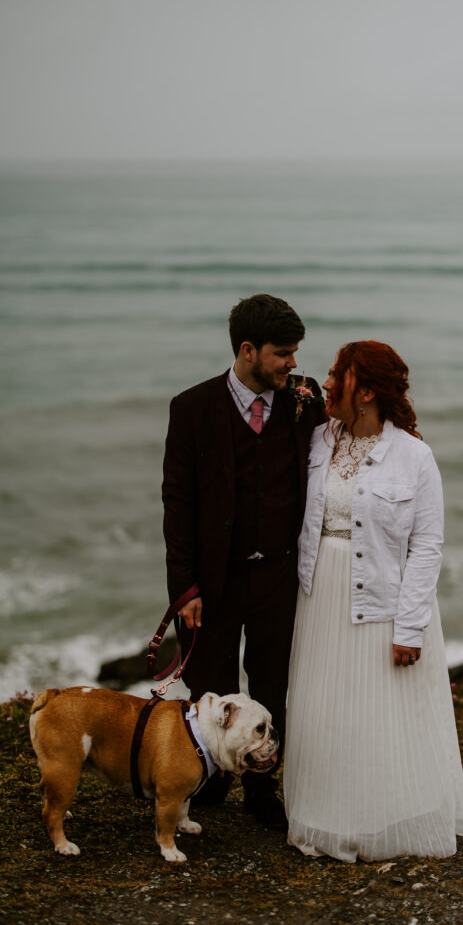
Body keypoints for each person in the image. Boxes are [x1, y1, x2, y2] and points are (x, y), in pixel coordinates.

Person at [284, 340, 463, 860]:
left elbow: (427, 547)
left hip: (383, 602)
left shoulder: (414, 456)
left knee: (381, 715)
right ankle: (326, 818)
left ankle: (380, 824)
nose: (324, 383)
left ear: (364, 391)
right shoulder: (319, 439)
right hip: (319, 595)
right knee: (325, 712)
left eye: (334, 376)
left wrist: (409, 628)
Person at [162, 294, 325, 830]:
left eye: (295, 352)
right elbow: (177, 502)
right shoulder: (191, 408)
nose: (294, 364)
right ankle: (209, 774)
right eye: (283, 353)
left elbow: (347, 438)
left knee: (273, 680)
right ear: (248, 350)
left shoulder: (304, 398)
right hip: (215, 578)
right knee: (209, 684)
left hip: (279, 573)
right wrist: (185, 588)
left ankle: (260, 785)